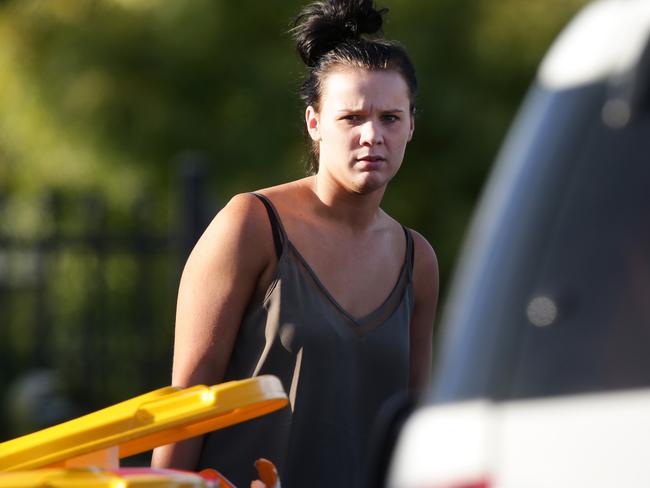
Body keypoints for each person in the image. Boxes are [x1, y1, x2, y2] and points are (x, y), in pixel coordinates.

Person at [151, 0, 438, 486]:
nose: (372, 136)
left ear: (411, 124)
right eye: (351, 118)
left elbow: (415, 430)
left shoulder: (418, 259)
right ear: (314, 123)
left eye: (390, 118)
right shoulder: (252, 224)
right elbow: (186, 403)